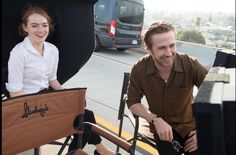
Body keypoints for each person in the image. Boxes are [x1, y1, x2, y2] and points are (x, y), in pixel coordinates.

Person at [6, 6, 116, 155]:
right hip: (28, 106)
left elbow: (53, 80)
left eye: (44, 25)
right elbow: (14, 92)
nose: (41, 30)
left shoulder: (52, 50)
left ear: (49, 27)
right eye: (34, 25)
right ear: (25, 27)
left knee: (84, 114)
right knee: (82, 119)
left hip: (47, 98)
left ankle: (83, 151)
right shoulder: (19, 53)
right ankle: (101, 150)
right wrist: (32, 114)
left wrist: (69, 97)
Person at [126, 21, 208, 155]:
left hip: (191, 127)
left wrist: (204, 130)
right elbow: (132, 102)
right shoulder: (139, 68)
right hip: (160, 128)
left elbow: (214, 94)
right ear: (148, 48)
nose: (169, 53)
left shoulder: (190, 64)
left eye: (172, 45)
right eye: (162, 47)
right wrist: (155, 120)